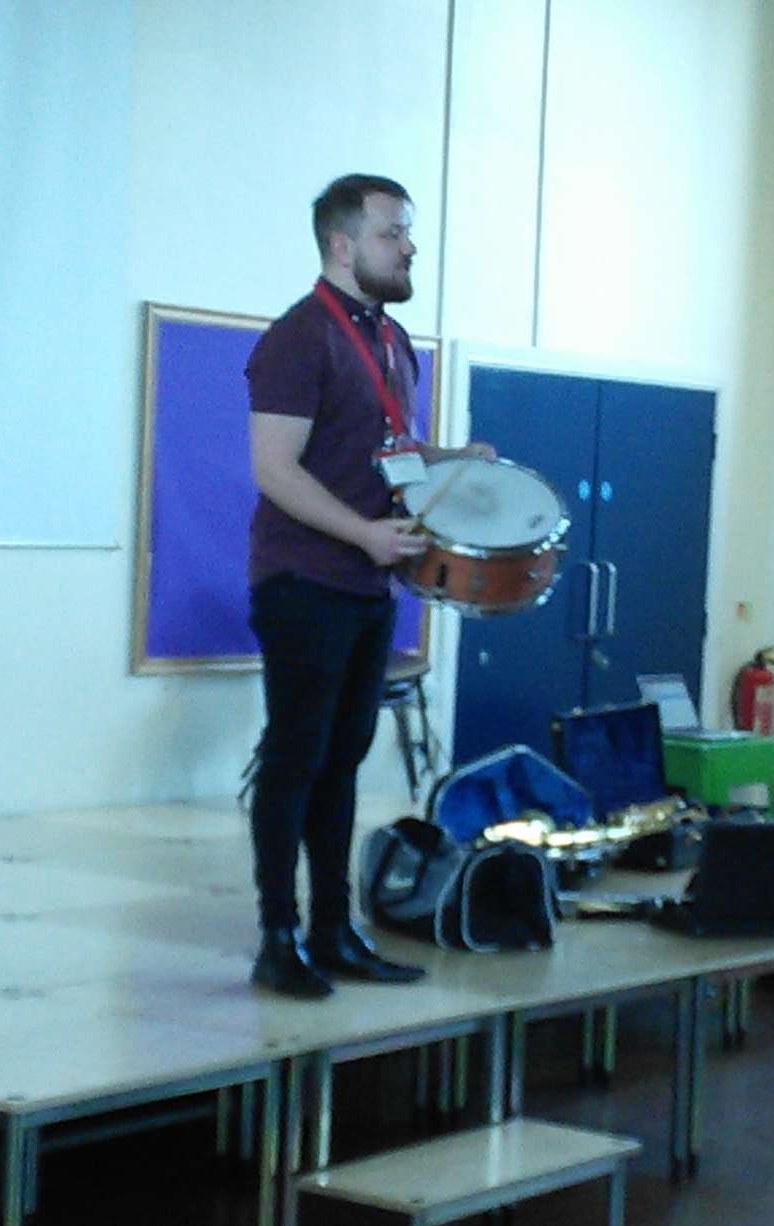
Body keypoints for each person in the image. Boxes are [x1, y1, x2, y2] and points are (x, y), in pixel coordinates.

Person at [244, 173, 494, 998]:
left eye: (408, 233)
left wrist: (452, 460)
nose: (410, 247)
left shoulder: (390, 338)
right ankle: (277, 937)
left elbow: (390, 454)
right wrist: (362, 533)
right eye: (393, 233)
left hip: (366, 583)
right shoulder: (297, 338)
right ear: (342, 244)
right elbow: (273, 469)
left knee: (343, 760)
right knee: (295, 758)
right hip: (303, 580)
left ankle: (333, 927)